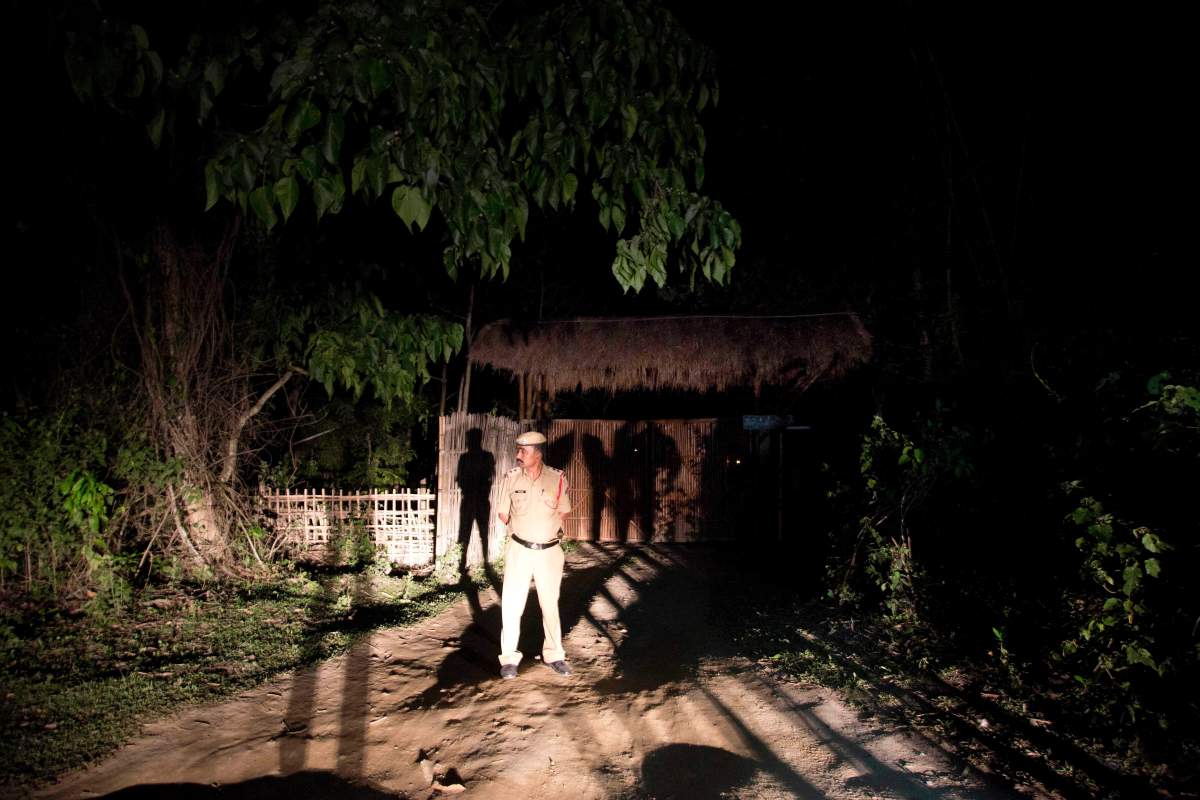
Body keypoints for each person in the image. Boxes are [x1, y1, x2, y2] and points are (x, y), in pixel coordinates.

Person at [496, 430, 573, 678]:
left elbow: (563, 511)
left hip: (549, 552)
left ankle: (554, 654)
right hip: (519, 550)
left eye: (524, 451)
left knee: (549, 604)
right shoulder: (511, 478)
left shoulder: (557, 478)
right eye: (518, 450)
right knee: (511, 604)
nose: (518, 455)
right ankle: (508, 658)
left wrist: (543, 529)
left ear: (538, 453)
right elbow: (503, 513)